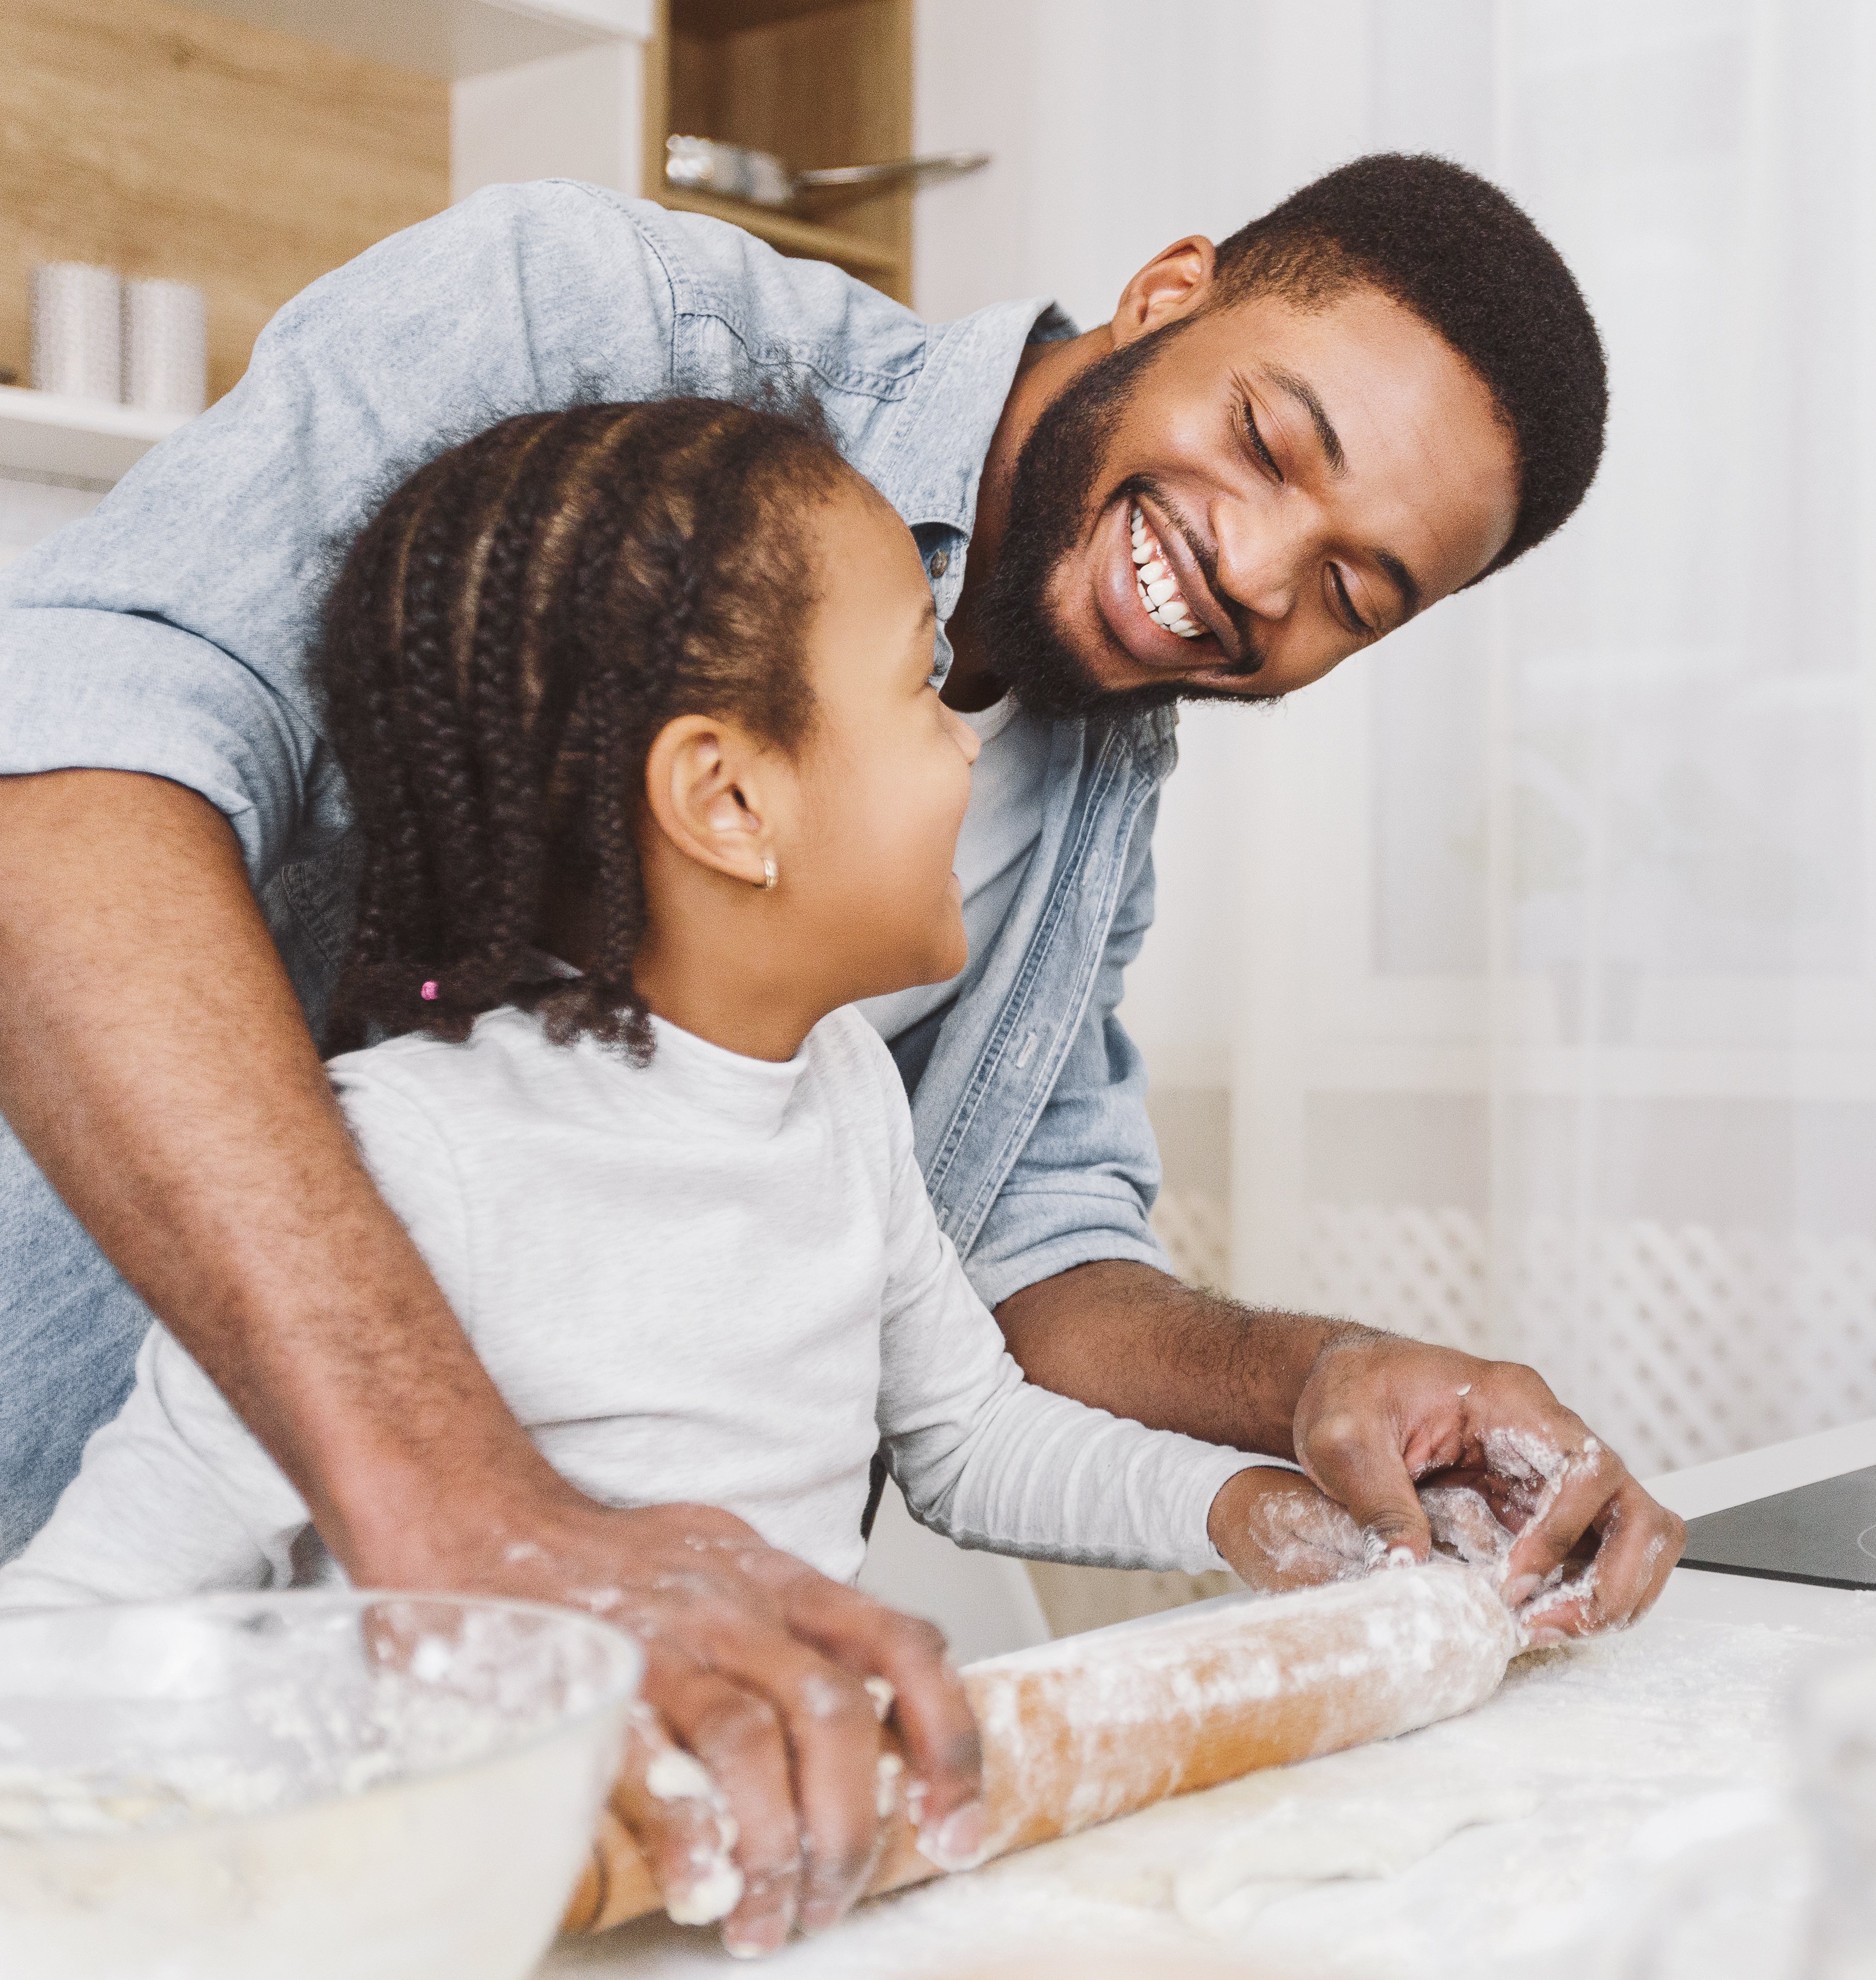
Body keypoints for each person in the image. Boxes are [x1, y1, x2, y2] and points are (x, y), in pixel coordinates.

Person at [0, 155, 1680, 1936]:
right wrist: (473, 1520)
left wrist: (1314, 1399)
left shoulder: (1089, 791)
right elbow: (68, 782)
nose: (1264, 573)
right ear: (1170, 292)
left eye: (1359, 589)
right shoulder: (591, 321)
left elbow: (1003, 1294)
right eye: (1271, 440)